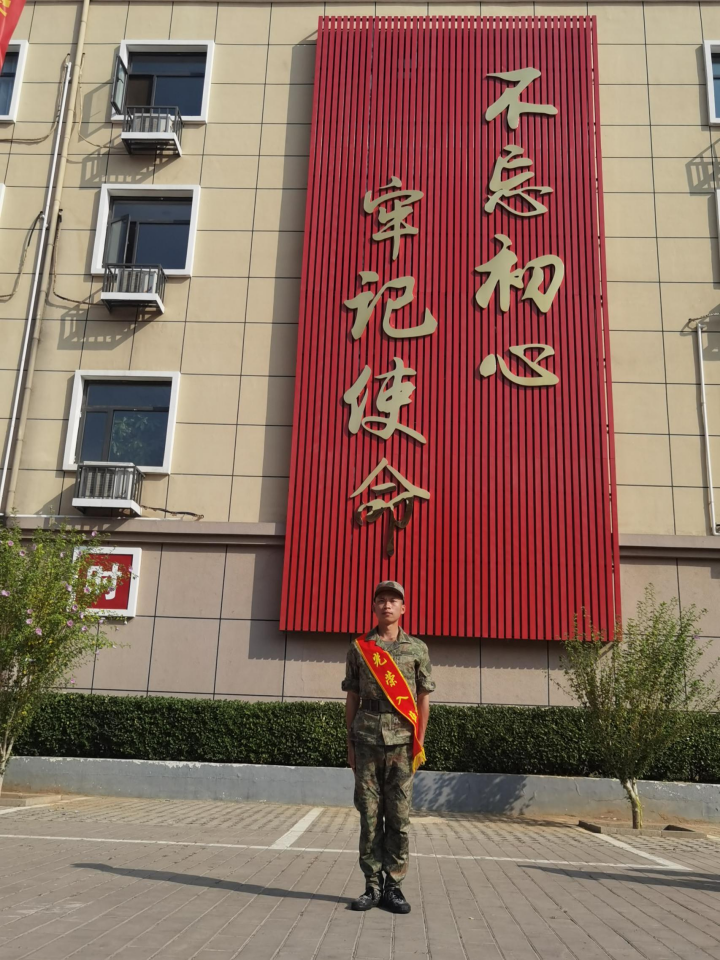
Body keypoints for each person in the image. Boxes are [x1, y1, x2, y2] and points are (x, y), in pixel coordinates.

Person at [342, 580, 435, 915]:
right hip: (366, 742)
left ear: (403, 608)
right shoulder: (359, 647)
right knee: (369, 818)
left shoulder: (417, 649)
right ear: (374, 607)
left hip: (401, 745)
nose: (387, 605)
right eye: (381, 600)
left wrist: (418, 741)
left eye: (393, 600)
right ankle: (372, 886)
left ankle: (393, 887)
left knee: (398, 817)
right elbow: (352, 696)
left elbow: (422, 699)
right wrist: (350, 743)